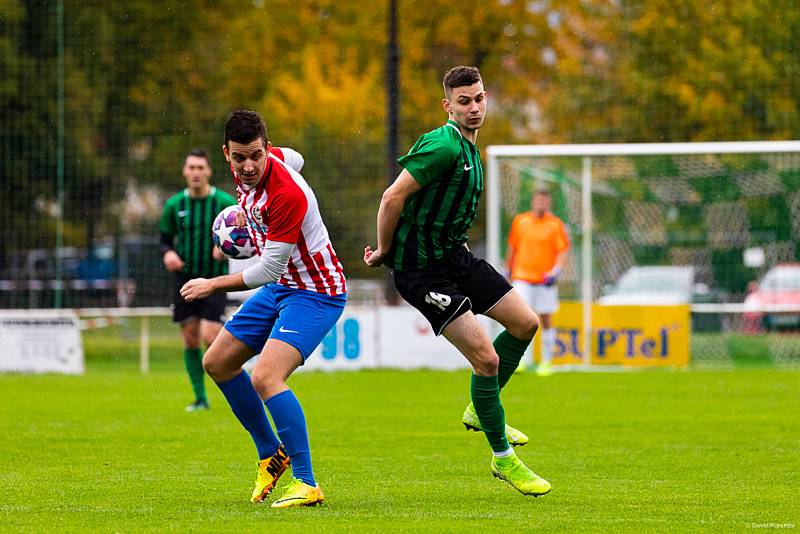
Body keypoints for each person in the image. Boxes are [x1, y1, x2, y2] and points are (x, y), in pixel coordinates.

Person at [364, 66, 551, 497]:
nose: (474, 107)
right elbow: (392, 197)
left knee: (525, 324)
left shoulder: (471, 149)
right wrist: (385, 252)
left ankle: (477, 409)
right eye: (464, 101)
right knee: (485, 359)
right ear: (448, 105)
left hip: (456, 258)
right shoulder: (443, 145)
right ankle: (503, 458)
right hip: (421, 271)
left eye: (479, 98)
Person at [180, 110, 346, 508]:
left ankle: (307, 482)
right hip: (283, 287)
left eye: (256, 156)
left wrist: (213, 283)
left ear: (267, 149)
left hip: (316, 292)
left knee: (267, 377)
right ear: (227, 154)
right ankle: (271, 454)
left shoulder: (285, 195)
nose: (249, 166)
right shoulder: (269, 161)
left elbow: (269, 266)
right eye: (240, 158)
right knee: (217, 361)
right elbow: (298, 158)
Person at [159, 148, 236, 412]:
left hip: (215, 279)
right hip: (184, 280)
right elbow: (164, 240)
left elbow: (243, 233)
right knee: (190, 338)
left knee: (210, 336)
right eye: (191, 167)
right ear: (184, 171)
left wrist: (225, 247)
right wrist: (168, 253)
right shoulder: (174, 205)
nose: (195, 172)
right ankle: (200, 398)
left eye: (200, 168)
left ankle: (232, 390)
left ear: (208, 172)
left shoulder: (224, 203)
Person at [507, 189, 570, 376]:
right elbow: (513, 247)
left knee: (545, 319)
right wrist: (507, 270)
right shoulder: (521, 221)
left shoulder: (555, 224)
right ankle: (523, 362)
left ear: (548, 203)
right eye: (538, 200)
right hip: (522, 277)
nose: (541, 204)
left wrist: (555, 271)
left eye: (545, 201)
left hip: (544, 280)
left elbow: (562, 251)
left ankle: (546, 362)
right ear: (533, 201)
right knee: (522, 318)